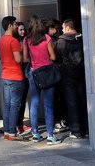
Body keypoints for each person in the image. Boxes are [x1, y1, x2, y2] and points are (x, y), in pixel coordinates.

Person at [23, 15, 60, 145]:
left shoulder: (26, 40)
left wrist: (35, 61)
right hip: (48, 73)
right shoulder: (47, 38)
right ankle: (50, 136)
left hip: (34, 74)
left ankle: (35, 134)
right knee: (48, 104)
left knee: (34, 103)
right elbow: (53, 57)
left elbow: (24, 59)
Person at [55, 19, 88, 139]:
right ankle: (88, 129)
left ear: (68, 28)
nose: (62, 30)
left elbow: (56, 58)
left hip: (68, 75)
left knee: (72, 103)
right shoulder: (83, 38)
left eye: (63, 28)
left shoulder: (61, 41)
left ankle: (76, 131)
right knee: (84, 101)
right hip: (82, 73)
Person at [0, 16, 25, 141]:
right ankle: (12, 132)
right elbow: (18, 59)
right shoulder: (13, 41)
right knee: (15, 105)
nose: (16, 26)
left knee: (7, 105)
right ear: (10, 26)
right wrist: (23, 50)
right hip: (15, 76)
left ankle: (7, 132)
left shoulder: (1, 40)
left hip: (5, 76)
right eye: (14, 24)